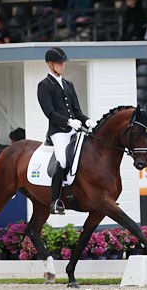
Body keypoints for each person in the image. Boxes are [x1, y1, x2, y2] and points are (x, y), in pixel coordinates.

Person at [37, 47, 96, 215]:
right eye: (59, 63)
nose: (63, 65)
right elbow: (49, 112)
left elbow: (76, 109)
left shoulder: (68, 84)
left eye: (63, 62)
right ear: (50, 64)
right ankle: (55, 201)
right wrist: (68, 121)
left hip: (74, 130)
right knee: (62, 161)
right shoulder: (44, 85)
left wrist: (87, 120)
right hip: (58, 132)